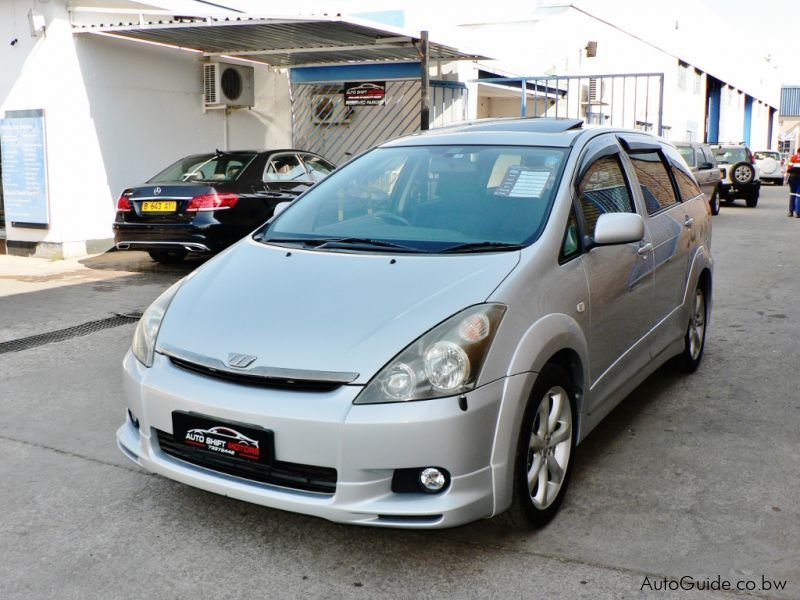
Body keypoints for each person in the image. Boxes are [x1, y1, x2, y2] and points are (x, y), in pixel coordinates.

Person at [787, 148, 800, 217]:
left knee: (792, 194)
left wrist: (786, 178)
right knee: (799, 195)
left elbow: (789, 168)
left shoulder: (793, 157)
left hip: (793, 177)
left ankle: (790, 212)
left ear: (797, 151)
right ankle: (798, 213)